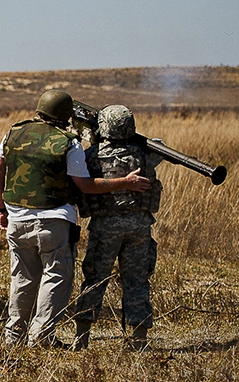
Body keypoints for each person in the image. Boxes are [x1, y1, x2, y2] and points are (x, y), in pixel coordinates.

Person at [0, 90, 151, 347]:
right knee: (56, 277)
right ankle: (42, 336)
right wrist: (126, 182)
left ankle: (14, 336)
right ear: (66, 116)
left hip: (17, 219)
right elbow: (85, 186)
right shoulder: (69, 142)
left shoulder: (12, 133)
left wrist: (2, 210)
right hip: (53, 221)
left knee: (22, 278)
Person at [73, 105, 163, 351]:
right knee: (137, 280)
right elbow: (159, 150)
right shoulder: (144, 155)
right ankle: (139, 340)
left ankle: (81, 339)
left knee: (94, 280)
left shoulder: (91, 155)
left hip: (104, 227)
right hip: (139, 226)